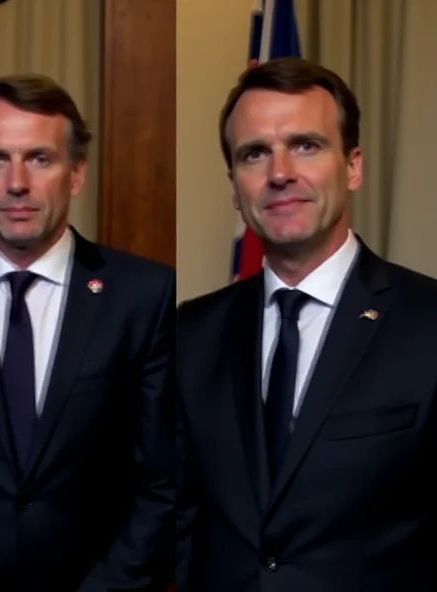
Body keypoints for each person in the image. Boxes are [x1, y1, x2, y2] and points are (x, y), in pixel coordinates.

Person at [0, 74, 175, 591]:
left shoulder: (142, 296)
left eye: (39, 159)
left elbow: (160, 480)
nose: (16, 182)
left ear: (76, 173)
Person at [176, 56, 437, 591]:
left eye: (306, 145)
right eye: (255, 154)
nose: (279, 174)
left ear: (354, 165)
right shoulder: (191, 335)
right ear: (235, 186)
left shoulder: (429, 323)